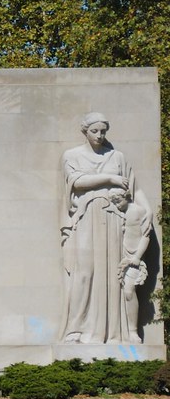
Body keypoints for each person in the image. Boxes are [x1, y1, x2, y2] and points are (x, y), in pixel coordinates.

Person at [59, 112, 140, 344]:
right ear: (85, 131)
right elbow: (77, 182)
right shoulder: (72, 155)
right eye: (95, 131)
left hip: (113, 219)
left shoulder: (117, 156)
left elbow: (130, 192)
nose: (100, 135)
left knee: (113, 273)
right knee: (84, 272)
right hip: (85, 218)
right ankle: (75, 329)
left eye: (103, 131)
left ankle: (115, 331)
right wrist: (110, 179)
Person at [110, 188, 152, 343]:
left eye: (118, 201)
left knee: (129, 291)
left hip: (133, 258)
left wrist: (137, 256)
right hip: (117, 256)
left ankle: (133, 332)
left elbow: (145, 236)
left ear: (126, 197)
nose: (117, 205)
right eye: (114, 202)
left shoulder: (139, 211)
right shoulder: (114, 213)